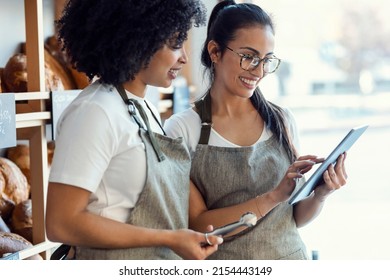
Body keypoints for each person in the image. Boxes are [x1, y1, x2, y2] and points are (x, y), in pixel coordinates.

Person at [164, 0, 348, 260]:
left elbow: (294, 218)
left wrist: (321, 194)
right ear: (215, 51)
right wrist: (271, 197)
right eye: (248, 57)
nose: (259, 71)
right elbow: (197, 224)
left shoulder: (282, 120)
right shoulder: (182, 129)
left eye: (266, 60)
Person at [45, 0, 223, 260]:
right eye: (175, 44)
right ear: (138, 39)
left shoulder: (145, 107)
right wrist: (168, 238)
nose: (184, 57)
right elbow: (60, 223)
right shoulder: (95, 111)